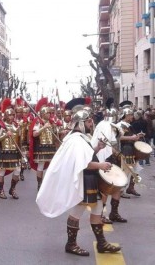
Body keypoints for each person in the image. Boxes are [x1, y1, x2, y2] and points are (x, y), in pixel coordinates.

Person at [36, 107, 121, 257]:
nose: (91, 124)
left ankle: (101, 243)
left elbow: (85, 155)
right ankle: (71, 244)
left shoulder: (81, 138)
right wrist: (100, 165)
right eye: (88, 121)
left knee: (97, 210)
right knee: (77, 211)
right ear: (81, 123)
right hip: (85, 179)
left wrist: (97, 148)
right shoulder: (75, 140)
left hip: (91, 179)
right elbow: (83, 163)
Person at [91, 108, 127, 224]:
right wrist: (117, 153)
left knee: (118, 185)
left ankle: (114, 213)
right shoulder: (106, 126)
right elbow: (107, 145)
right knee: (105, 188)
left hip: (113, 158)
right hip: (106, 159)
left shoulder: (108, 125)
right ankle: (101, 214)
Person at [0, 98, 22, 199]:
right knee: (2, 171)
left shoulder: (16, 125)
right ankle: (1, 191)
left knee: (17, 170)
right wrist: (5, 135)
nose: (12, 117)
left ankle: (12, 189)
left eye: (13, 115)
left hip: (14, 152)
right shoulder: (0, 126)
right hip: (3, 152)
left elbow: (19, 140)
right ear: (5, 115)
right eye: (9, 115)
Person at [29, 97, 57, 191]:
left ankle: (49, 184)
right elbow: (34, 134)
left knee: (52, 166)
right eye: (48, 113)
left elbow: (55, 136)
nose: (50, 114)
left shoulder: (52, 123)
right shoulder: (38, 122)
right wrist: (43, 127)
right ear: (43, 114)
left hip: (51, 147)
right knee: (40, 166)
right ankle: (39, 184)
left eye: (50, 113)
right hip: (41, 147)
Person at [117, 101, 144, 197]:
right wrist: (132, 138)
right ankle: (120, 191)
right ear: (126, 115)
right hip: (126, 149)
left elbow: (129, 136)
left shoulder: (128, 125)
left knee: (135, 170)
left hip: (132, 148)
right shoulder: (120, 125)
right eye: (130, 115)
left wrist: (137, 136)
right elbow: (118, 137)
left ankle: (131, 187)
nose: (132, 117)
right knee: (126, 170)